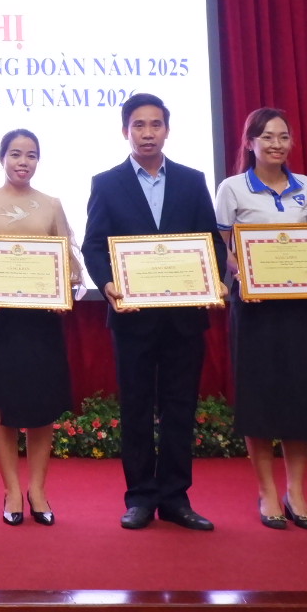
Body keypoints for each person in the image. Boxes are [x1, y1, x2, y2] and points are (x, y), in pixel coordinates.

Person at [83, 92, 226, 531]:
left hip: (184, 318)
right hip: (133, 318)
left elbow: (211, 242)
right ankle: (140, 498)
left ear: (167, 129)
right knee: (137, 408)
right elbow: (94, 245)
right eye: (139, 125)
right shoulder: (106, 183)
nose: (147, 133)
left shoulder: (191, 180)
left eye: (155, 124)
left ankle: (176, 499)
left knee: (180, 408)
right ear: (125, 131)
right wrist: (107, 284)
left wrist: (214, 277)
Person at [213, 108, 307, 531]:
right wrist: (241, 271)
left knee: (301, 395)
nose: (276, 144)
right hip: (254, 307)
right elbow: (223, 247)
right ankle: (267, 490)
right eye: (267, 137)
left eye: (283, 136)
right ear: (250, 143)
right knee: (260, 396)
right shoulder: (232, 188)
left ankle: (296, 491)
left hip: (300, 306)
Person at [0, 129, 78, 527]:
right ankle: (12, 489)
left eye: (30, 155)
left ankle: (38, 489)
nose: (23, 162)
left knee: (42, 407)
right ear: (2, 158)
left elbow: (68, 262)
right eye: (15, 154)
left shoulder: (51, 205)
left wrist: (64, 289)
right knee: (1, 404)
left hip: (41, 323)